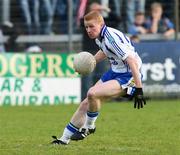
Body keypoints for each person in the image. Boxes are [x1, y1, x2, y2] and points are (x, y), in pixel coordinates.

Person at [51, 11, 146, 145]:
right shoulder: (100, 37)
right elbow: (105, 51)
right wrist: (90, 63)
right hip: (115, 72)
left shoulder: (111, 38)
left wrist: (139, 89)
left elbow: (132, 61)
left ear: (101, 25)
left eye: (91, 26)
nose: (88, 30)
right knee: (86, 102)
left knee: (92, 93)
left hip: (128, 76)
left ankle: (89, 127)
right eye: (86, 27)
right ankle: (63, 139)